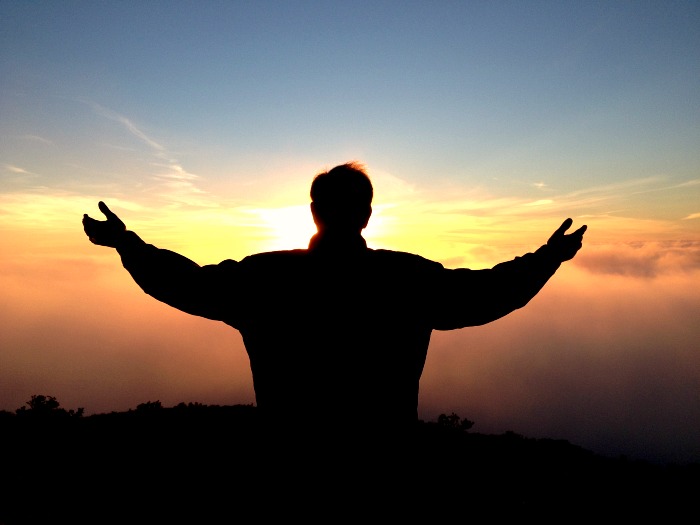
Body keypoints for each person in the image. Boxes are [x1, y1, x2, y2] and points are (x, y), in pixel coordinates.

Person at [82, 161, 586, 442]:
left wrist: (126, 243)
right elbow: (487, 294)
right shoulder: (405, 278)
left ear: (314, 212)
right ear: (366, 215)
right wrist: (547, 258)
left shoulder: (267, 278)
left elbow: (184, 283)